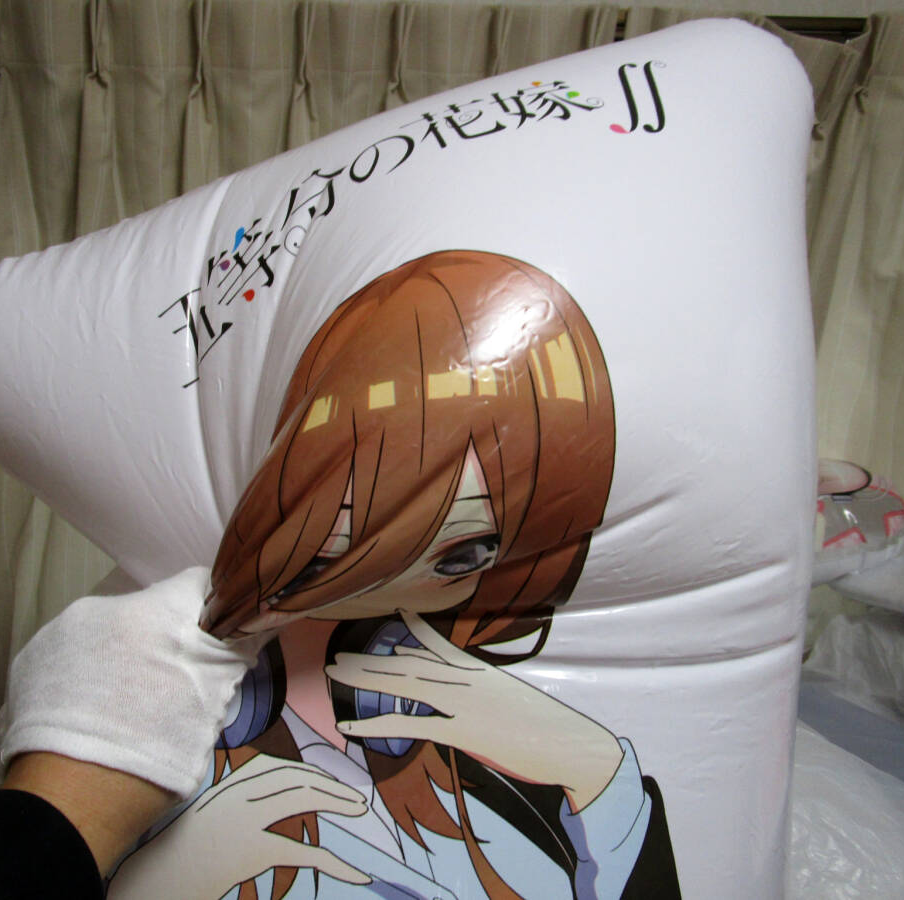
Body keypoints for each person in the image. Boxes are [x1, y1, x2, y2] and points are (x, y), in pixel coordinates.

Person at [109, 251, 679, 899]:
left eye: (464, 555)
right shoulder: (165, 744)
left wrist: (595, 772)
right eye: (354, 533)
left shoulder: (510, 773)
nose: (393, 571)